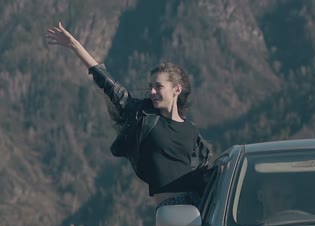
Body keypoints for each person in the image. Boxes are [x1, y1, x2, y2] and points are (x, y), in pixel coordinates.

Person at [45, 22, 210, 208]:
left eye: (159, 86)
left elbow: (204, 172)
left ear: (176, 89)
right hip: (170, 210)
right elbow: (110, 85)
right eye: (151, 87)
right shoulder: (144, 116)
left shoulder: (192, 131)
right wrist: (75, 46)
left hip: (198, 207)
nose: (153, 92)